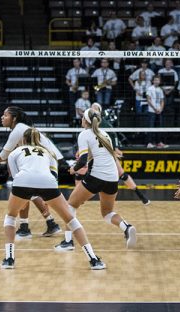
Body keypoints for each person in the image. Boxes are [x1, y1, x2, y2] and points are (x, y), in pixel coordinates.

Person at [0, 128, 105, 270]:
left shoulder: (14, 152)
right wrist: (48, 196)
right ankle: (93, 259)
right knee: (70, 220)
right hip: (48, 182)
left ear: (23, 140)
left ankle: (9, 259)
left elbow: (15, 177)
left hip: (23, 181)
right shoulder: (48, 152)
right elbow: (54, 175)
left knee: (11, 217)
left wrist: (28, 196)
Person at [0, 106, 62, 239]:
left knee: (23, 188)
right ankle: (50, 224)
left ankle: (26, 228)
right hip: (48, 162)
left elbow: (2, 156)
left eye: (5, 115)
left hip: (47, 163)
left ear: (14, 118)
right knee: (29, 191)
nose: (2, 117)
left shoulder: (18, 130)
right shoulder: (22, 129)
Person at [54, 105, 138, 252]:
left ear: (85, 121)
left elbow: (82, 161)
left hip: (97, 176)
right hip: (112, 178)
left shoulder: (84, 134)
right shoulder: (104, 134)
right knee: (107, 214)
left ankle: (68, 242)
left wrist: (73, 169)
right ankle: (126, 227)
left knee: (70, 206)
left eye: (82, 118)